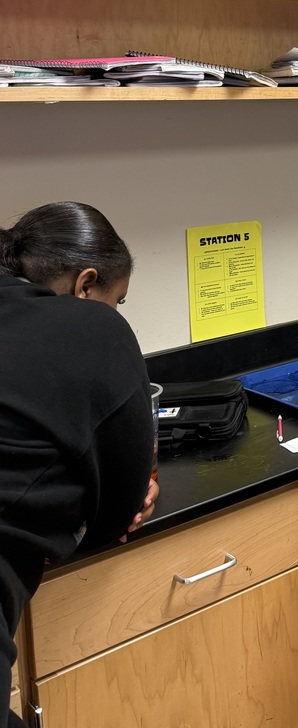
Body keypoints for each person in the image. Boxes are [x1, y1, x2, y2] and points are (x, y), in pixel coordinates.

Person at [0, 201, 159, 728]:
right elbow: (115, 515)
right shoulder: (93, 329)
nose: (115, 315)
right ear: (85, 285)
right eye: (117, 300)